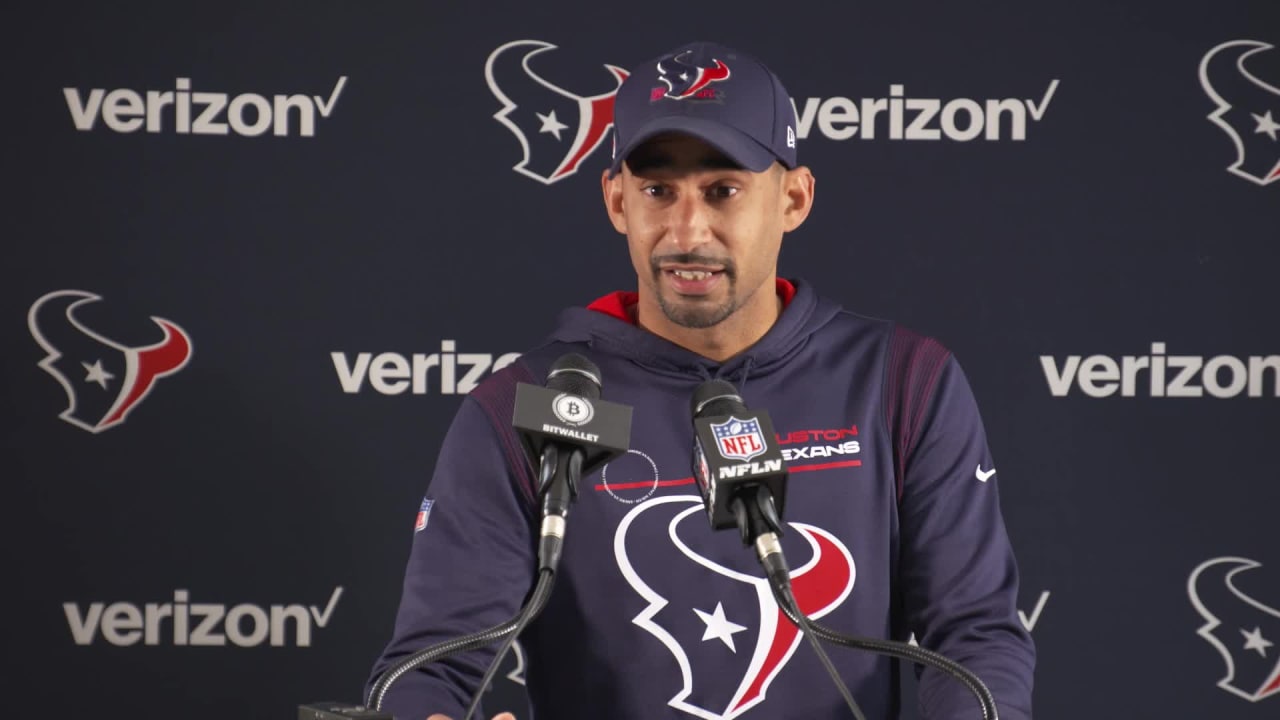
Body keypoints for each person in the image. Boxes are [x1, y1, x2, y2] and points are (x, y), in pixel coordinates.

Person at [366, 40, 1036, 720]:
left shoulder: (901, 382)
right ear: (617, 201)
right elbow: (429, 672)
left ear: (794, 198)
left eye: (724, 191)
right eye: (659, 191)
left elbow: (975, 638)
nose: (688, 230)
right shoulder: (523, 407)